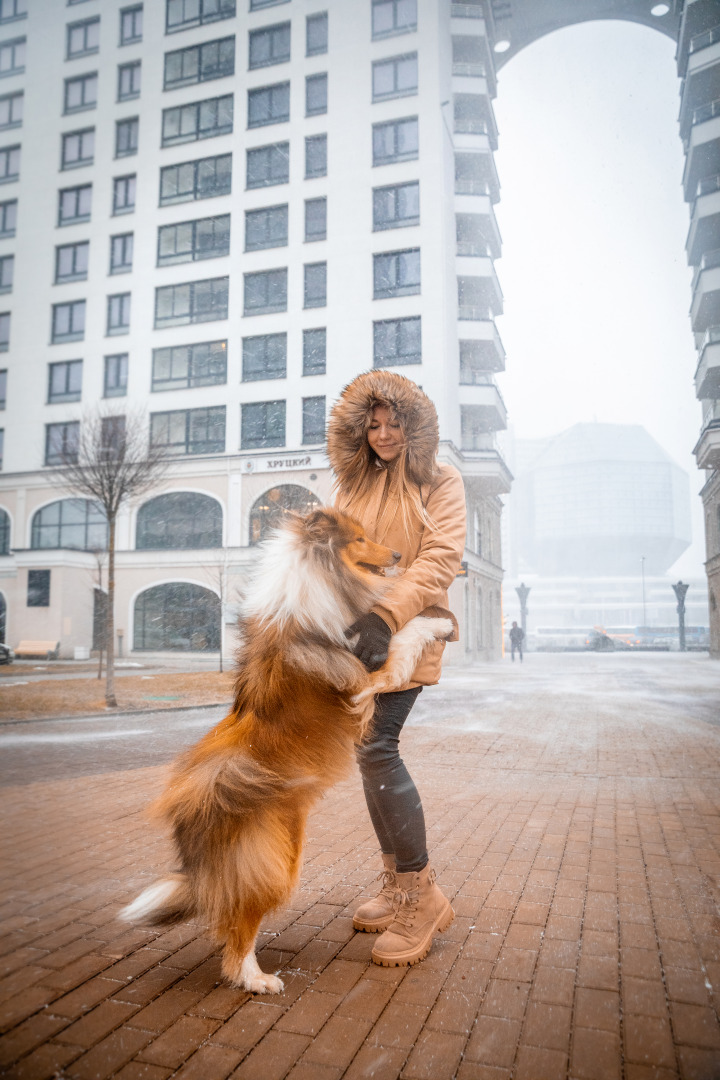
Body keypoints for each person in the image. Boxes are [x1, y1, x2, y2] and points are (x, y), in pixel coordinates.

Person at [326, 370, 466, 968]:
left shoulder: (440, 478)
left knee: (379, 745)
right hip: (358, 634)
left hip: (408, 629)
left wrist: (386, 614)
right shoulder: (351, 486)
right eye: (374, 423)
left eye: (394, 423)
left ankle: (423, 894)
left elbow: (440, 558)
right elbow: (336, 552)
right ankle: (399, 884)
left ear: (415, 425)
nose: (384, 433)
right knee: (366, 748)